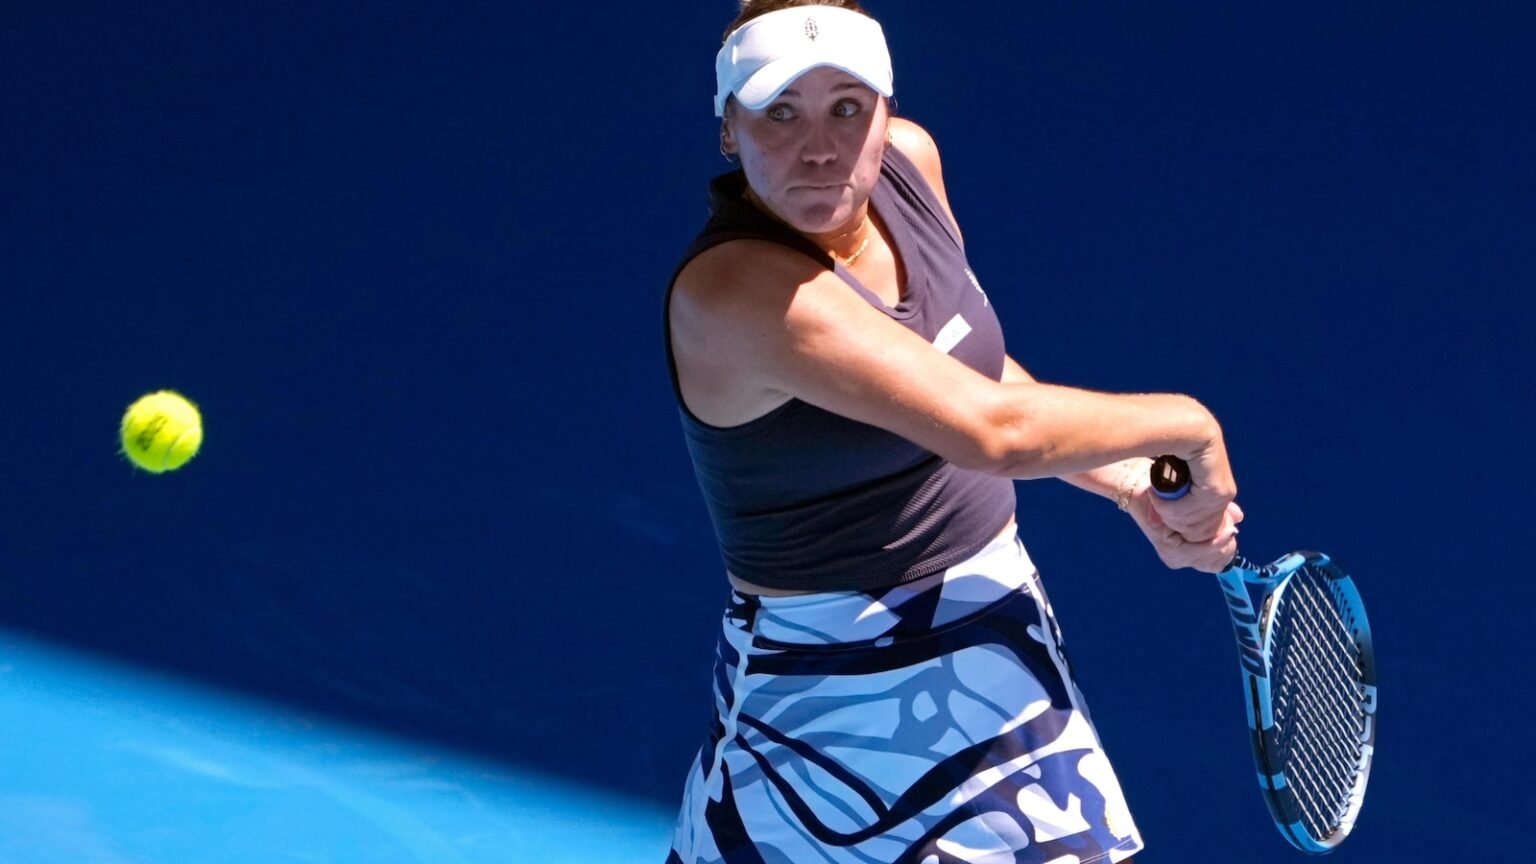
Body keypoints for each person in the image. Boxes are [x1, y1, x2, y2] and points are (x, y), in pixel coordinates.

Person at [662, 2, 1242, 861]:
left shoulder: (908, 165)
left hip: (995, 627)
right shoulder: (736, 295)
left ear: (887, 110)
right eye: (779, 112)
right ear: (728, 129)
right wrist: (1186, 426)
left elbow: (954, 373)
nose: (819, 146)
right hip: (831, 699)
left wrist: (1122, 477)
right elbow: (990, 429)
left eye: (847, 107)